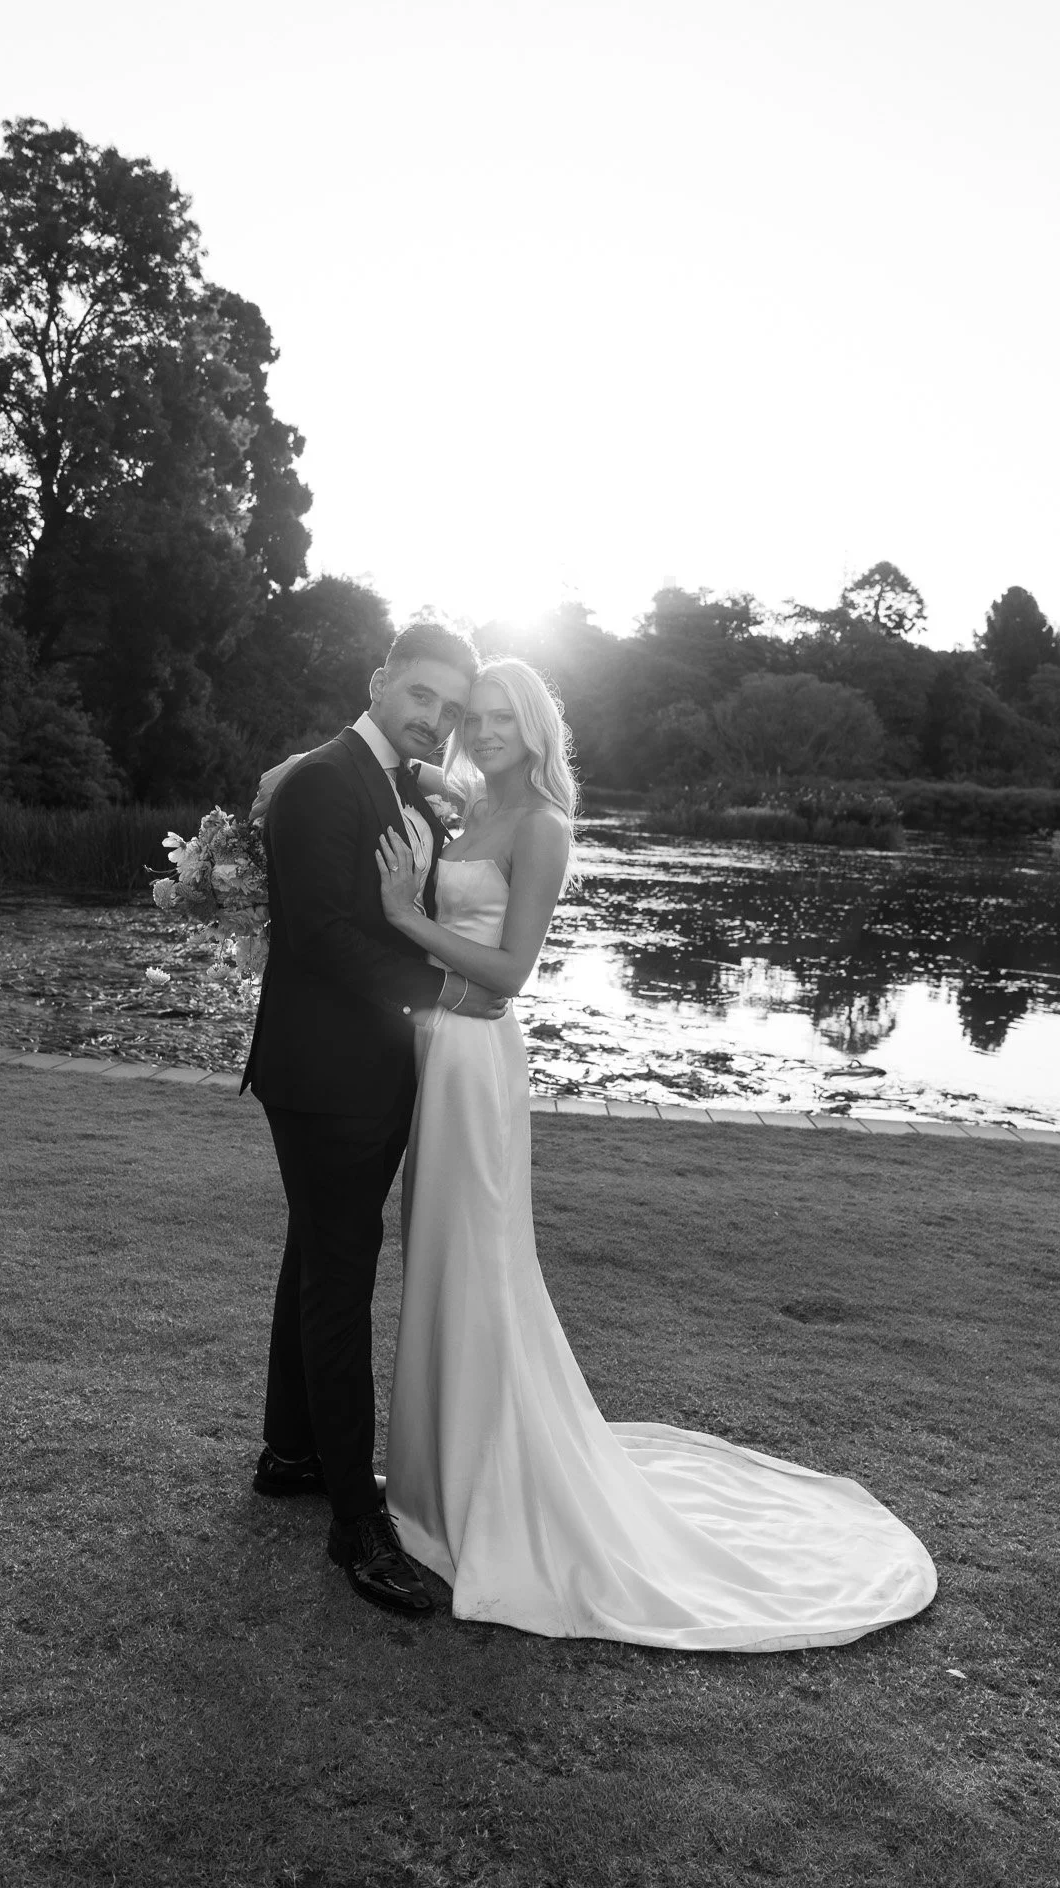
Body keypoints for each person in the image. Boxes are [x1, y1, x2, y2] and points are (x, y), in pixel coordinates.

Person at [374, 657, 938, 1648]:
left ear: (540, 727)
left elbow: (509, 974)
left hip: (475, 1059)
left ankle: (486, 1489)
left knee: (477, 1266)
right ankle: (429, 1476)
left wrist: (408, 919)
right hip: (433, 1052)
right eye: (479, 714)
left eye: (510, 715)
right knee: (433, 1258)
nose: (491, 727)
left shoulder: (543, 825)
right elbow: (399, 768)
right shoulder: (468, 808)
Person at [242, 623, 508, 1618]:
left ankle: (291, 1453)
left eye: (448, 705)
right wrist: (445, 988)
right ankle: (357, 1522)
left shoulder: (394, 778)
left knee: (315, 1254)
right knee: (338, 1279)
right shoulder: (324, 781)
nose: (433, 715)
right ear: (380, 680)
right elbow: (323, 937)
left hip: (371, 1070)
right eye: (423, 694)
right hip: (326, 1076)